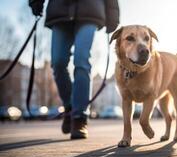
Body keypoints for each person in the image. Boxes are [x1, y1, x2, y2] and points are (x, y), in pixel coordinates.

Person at [28, 0, 120, 139]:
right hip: (60, 10)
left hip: (90, 9)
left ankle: (79, 117)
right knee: (58, 62)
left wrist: (112, 14)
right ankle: (70, 107)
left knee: (81, 60)